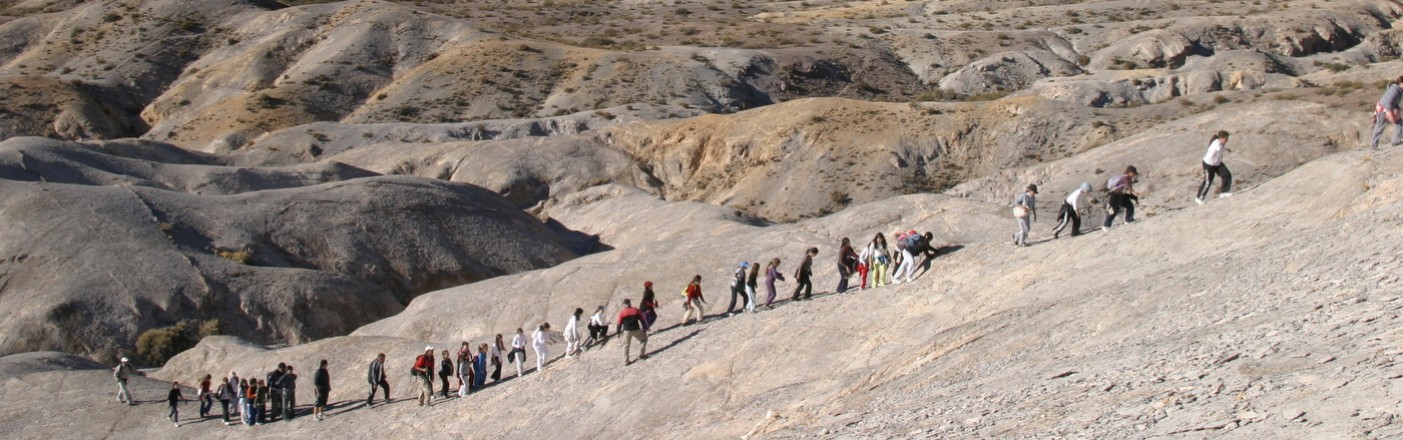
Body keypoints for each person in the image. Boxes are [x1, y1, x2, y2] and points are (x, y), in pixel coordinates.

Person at [1196, 130, 1233, 204]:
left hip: (1217, 164)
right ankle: (1199, 198)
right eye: (1226, 138)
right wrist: (1225, 150)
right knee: (1208, 182)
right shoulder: (1216, 143)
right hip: (1209, 165)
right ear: (1221, 138)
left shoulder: (1221, 143)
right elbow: (1219, 149)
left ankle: (1224, 192)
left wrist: (1226, 149)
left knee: (1227, 175)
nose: (1227, 140)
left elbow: (1221, 148)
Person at [1102, 166, 1139, 231]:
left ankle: (1129, 220)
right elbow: (1129, 188)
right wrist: (1135, 193)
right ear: (1130, 172)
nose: (1134, 175)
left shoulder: (1129, 178)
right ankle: (1106, 225)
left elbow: (1128, 188)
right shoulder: (1126, 177)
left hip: (1121, 195)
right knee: (1113, 210)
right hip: (1114, 195)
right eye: (1134, 173)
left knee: (1129, 205)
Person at [1373, 76, 1403, 149]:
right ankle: (1373, 146)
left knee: (1399, 123)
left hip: (1389, 109)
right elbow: (1387, 103)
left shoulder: (1399, 90)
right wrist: (1390, 115)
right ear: (1401, 83)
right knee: (1380, 127)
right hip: (1383, 109)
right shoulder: (1395, 90)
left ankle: (1396, 140)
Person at [616, 299, 648, 365]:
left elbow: (619, 323)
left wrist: (618, 332)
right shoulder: (636, 310)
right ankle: (641, 355)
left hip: (627, 331)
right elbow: (642, 319)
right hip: (636, 329)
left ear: (625, 304)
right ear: (630, 303)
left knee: (626, 346)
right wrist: (644, 328)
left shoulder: (622, 312)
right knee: (644, 339)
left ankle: (626, 361)